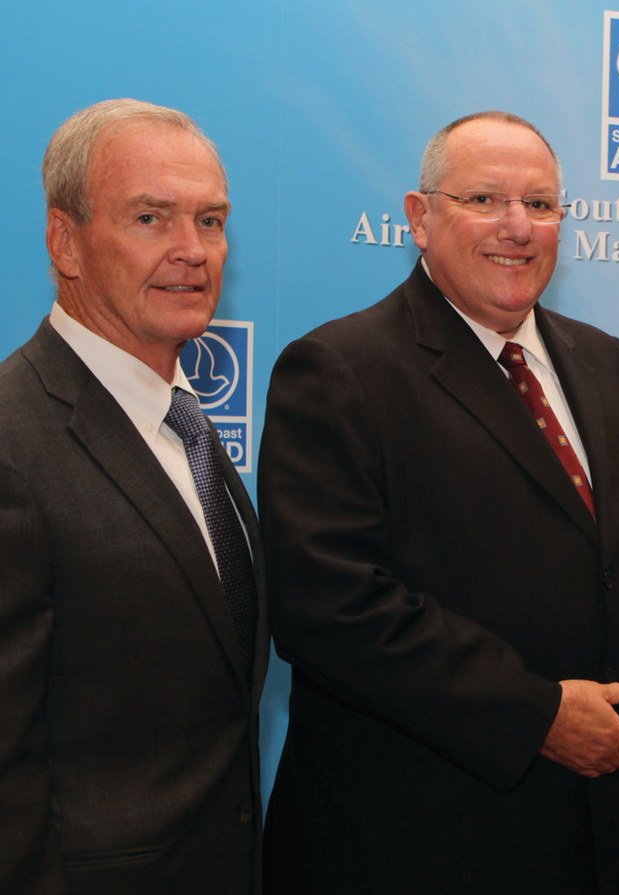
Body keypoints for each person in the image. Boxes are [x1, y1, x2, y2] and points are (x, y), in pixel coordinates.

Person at [259, 111, 619, 895]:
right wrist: (537, 714)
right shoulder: (339, 369)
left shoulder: (607, 362)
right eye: (484, 198)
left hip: (600, 834)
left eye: (541, 204)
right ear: (419, 217)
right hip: (423, 842)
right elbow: (329, 605)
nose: (517, 226)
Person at [0, 99, 268, 894]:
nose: (193, 251)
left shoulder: (185, 421)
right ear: (64, 243)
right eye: (151, 218)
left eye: (212, 220)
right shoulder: (13, 440)